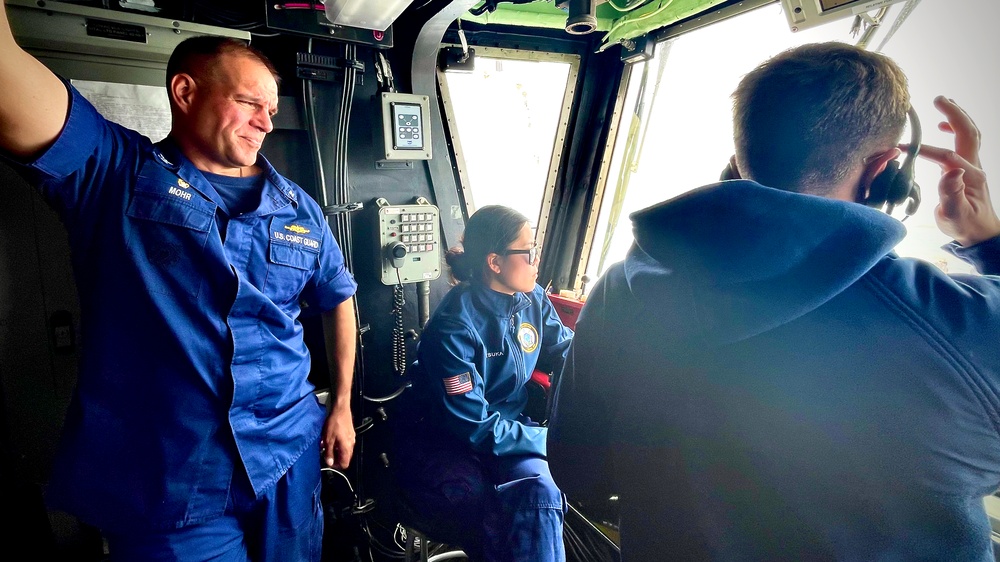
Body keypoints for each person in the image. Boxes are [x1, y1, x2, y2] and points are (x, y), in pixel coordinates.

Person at [548, 42, 1000, 561]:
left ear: (739, 157)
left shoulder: (620, 293)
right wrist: (986, 241)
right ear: (884, 172)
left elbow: (577, 471)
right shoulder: (966, 326)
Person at [0, 7, 359, 561]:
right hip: (168, 480)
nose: (265, 122)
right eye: (247, 103)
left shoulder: (297, 206)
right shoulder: (114, 173)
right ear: (186, 92)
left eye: (270, 107)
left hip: (287, 457)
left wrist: (340, 404)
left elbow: (338, 296)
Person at [391, 205, 574, 561]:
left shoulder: (532, 298)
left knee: (541, 491)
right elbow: (473, 425)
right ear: (495, 262)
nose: (537, 261)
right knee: (484, 507)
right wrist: (550, 439)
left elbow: (566, 348)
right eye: (529, 251)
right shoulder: (454, 327)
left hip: (508, 429)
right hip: (448, 442)